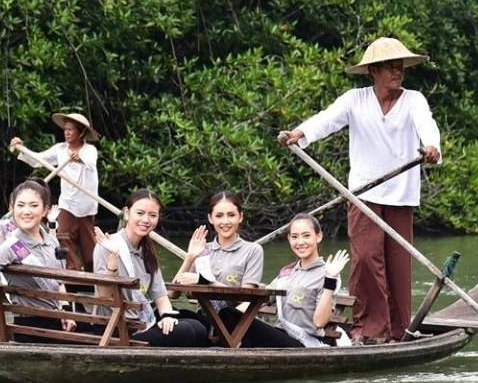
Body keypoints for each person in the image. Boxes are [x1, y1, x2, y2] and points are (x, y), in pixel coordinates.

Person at [278, 36, 442, 344]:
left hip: (401, 194)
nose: (397, 73)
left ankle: (397, 330)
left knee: (397, 265)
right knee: (366, 259)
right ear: (373, 72)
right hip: (363, 195)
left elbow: (427, 126)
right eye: (390, 68)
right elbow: (326, 120)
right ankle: (369, 329)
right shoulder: (355, 99)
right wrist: (299, 133)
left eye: (400, 67)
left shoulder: (414, 100)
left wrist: (431, 148)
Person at [92, 189, 209, 347]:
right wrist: (113, 263)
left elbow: (160, 295)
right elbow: (104, 297)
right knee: (186, 331)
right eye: (140, 213)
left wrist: (167, 316)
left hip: (141, 323)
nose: (146, 220)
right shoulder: (108, 245)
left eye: (152, 215)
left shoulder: (147, 250)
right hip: (115, 328)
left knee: (199, 327)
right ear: (127, 213)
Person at [0, 179, 76, 342]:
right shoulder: (10, 246)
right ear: (12, 209)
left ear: (45, 210)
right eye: (20, 205)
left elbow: (59, 283)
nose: (26, 211)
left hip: (58, 320)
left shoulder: (51, 240)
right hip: (30, 327)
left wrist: (66, 312)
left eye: (33, 205)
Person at [171, 191, 266, 343]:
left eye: (231, 215)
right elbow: (172, 294)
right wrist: (190, 257)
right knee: (172, 316)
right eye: (219, 216)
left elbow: (247, 296)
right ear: (210, 218)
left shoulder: (252, 250)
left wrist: (204, 281)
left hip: (235, 323)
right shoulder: (203, 249)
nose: (225, 221)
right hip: (205, 321)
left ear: (240, 217)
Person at [10, 112, 99, 272]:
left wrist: (77, 158)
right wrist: (20, 148)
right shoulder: (60, 149)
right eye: (65, 129)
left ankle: (94, 274)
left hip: (86, 204)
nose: (67, 132)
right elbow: (38, 160)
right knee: (63, 236)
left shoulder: (89, 150)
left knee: (89, 249)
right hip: (67, 203)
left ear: (81, 132)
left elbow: (90, 164)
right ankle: (71, 272)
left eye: (71, 129)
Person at [263, 213, 351, 347]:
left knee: (231, 316)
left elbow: (319, 322)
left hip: (304, 343)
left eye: (306, 235)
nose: (300, 242)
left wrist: (330, 278)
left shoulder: (327, 273)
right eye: (294, 237)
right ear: (289, 239)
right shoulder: (287, 272)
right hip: (280, 336)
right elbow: (261, 299)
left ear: (318, 236)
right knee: (229, 315)